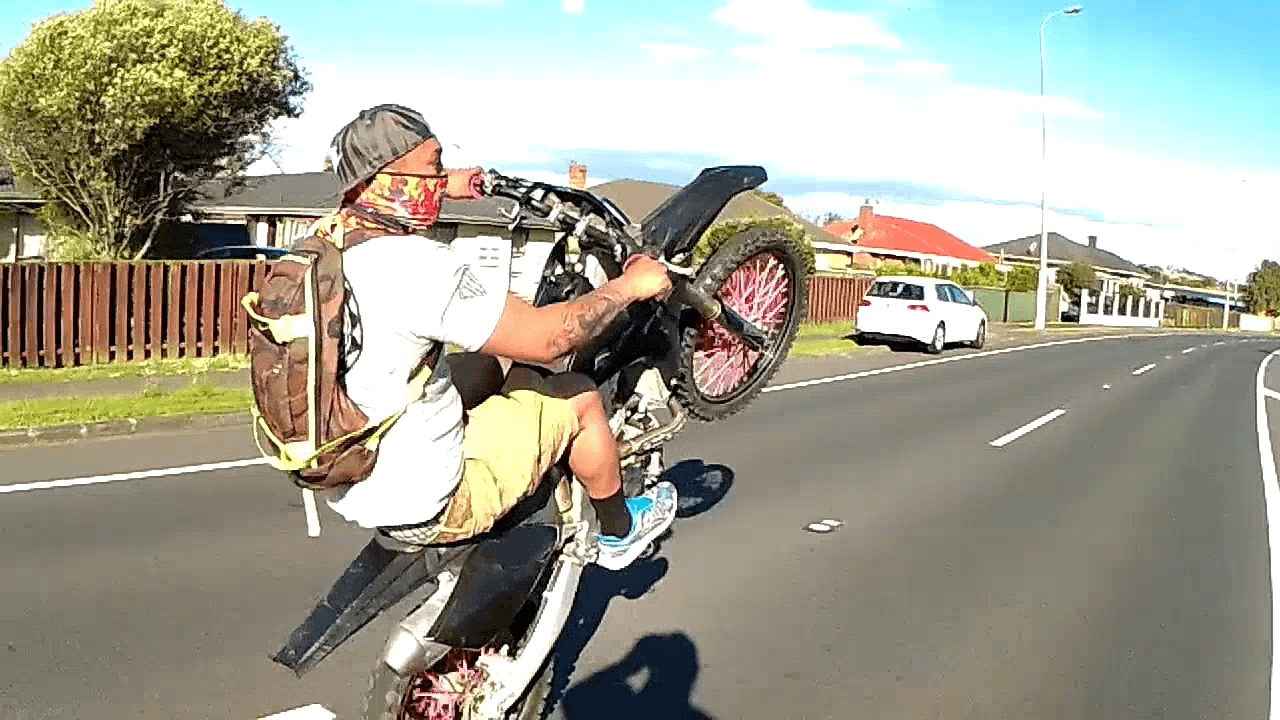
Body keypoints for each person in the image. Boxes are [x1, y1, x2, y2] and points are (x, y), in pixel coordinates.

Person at [320, 104, 677, 571]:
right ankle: (618, 530)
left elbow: (391, 195)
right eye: (433, 166)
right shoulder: (415, 266)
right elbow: (551, 339)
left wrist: (449, 186)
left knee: (490, 363)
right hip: (429, 500)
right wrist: (630, 286)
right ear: (389, 178)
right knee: (579, 395)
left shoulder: (324, 243)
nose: (439, 176)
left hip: (352, 471)